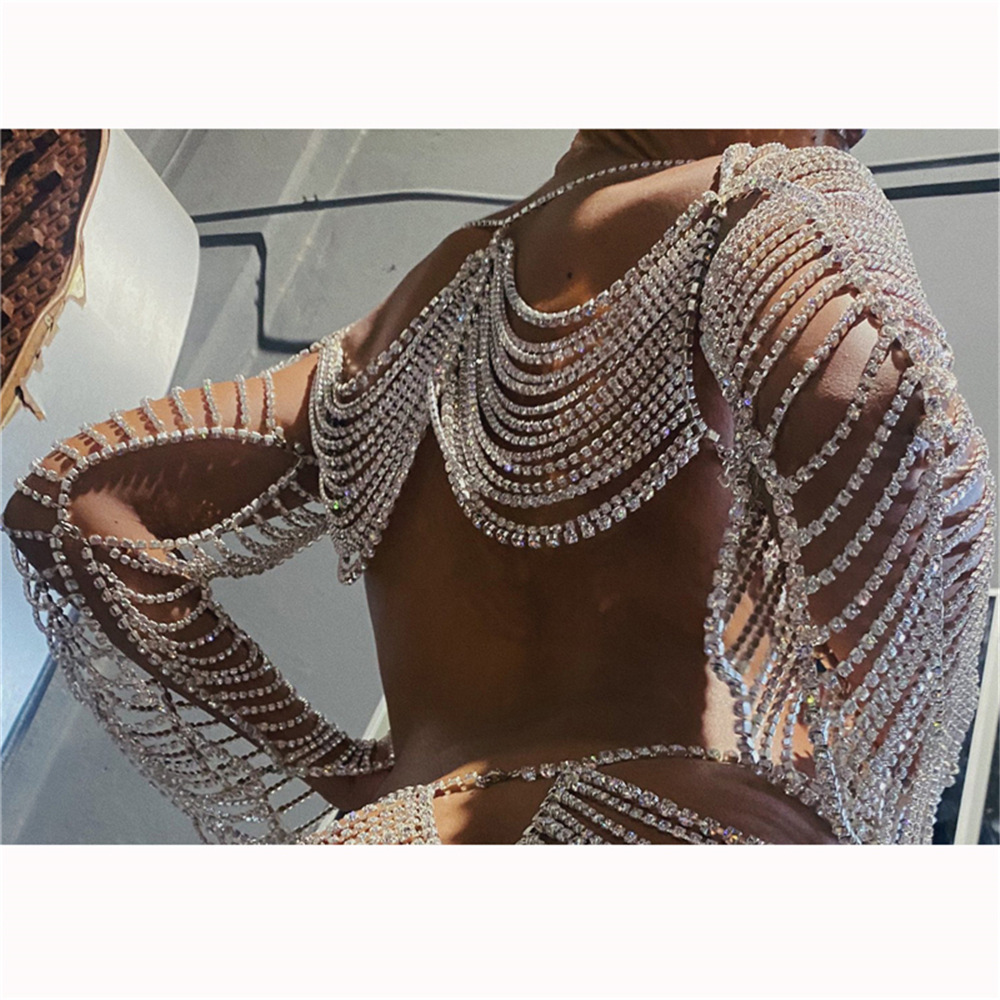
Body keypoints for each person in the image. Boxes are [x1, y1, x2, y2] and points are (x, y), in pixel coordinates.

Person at [2, 129, 994, 845]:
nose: (838, 131)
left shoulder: (401, 319)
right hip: (664, 831)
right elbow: (887, 409)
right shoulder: (758, 202)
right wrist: (852, 807)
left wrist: (334, 770)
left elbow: (71, 499)